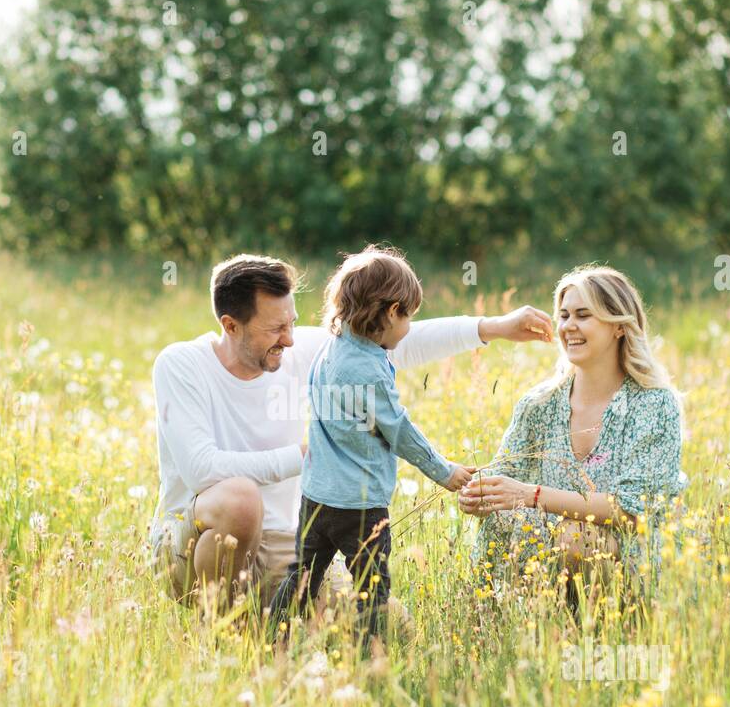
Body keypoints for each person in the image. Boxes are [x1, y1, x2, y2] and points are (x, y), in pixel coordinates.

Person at [150, 253, 553, 604]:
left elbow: (392, 338)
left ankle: (267, 634)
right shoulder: (181, 365)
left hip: (281, 542)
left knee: (384, 623)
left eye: (291, 323)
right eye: (276, 329)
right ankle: (222, 639)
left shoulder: (309, 351)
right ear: (231, 325)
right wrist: (308, 455)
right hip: (191, 544)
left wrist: (493, 327)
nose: (290, 340)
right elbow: (202, 470)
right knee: (239, 499)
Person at [266, 246, 475, 641]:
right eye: (408, 315)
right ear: (391, 311)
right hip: (359, 505)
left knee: (301, 579)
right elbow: (399, 431)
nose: (410, 325)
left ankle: (268, 645)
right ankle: (369, 661)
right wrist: (444, 471)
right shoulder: (368, 370)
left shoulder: (331, 349)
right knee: (370, 590)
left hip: (315, 497)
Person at [457, 265, 686, 600]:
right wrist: (482, 494)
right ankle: (506, 623)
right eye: (563, 316)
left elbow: (633, 510)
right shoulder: (539, 404)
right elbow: (507, 476)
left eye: (583, 315)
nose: (568, 327)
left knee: (575, 538)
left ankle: (611, 624)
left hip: (630, 553)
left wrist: (531, 495)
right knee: (505, 524)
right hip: (554, 551)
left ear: (619, 327)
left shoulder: (653, 404)